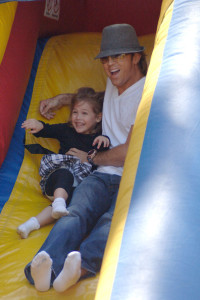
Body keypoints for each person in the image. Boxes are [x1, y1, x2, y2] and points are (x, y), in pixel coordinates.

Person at [24, 23, 147, 293]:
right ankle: (44, 270)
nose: (110, 64)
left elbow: (129, 150)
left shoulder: (146, 93)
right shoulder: (113, 83)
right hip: (102, 175)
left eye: (118, 56)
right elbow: (94, 102)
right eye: (106, 58)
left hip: (131, 178)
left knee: (108, 224)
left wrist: (92, 157)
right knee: (74, 212)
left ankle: (76, 270)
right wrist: (62, 100)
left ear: (136, 57)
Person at [17, 87, 109, 238]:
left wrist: (105, 140)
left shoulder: (99, 138)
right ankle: (59, 201)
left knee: (70, 202)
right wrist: (38, 125)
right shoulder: (66, 130)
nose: (78, 117)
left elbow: (105, 153)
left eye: (84, 113)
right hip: (55, 179)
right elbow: (47, 129)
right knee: (66, 174)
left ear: (98, 117)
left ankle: (30, 225)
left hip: (74, 187)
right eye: (75, 112)